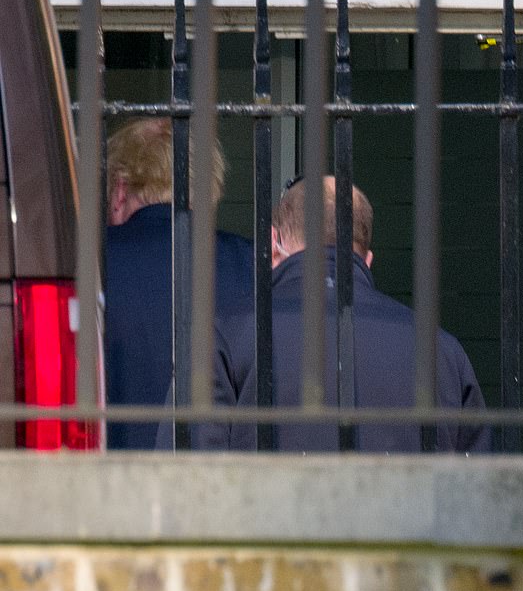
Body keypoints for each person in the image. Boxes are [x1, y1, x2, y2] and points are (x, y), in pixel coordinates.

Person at [195, 175, 490, 453]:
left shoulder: (224, 335)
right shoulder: (441, 350)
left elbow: (188, 472)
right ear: (368, 260)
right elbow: (477, 488)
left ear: (273, 243)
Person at [104, 118, 253, 449]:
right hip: (218, 486)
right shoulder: (252, 264)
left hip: (108, 480)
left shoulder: (90, 261)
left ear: (119, 190)